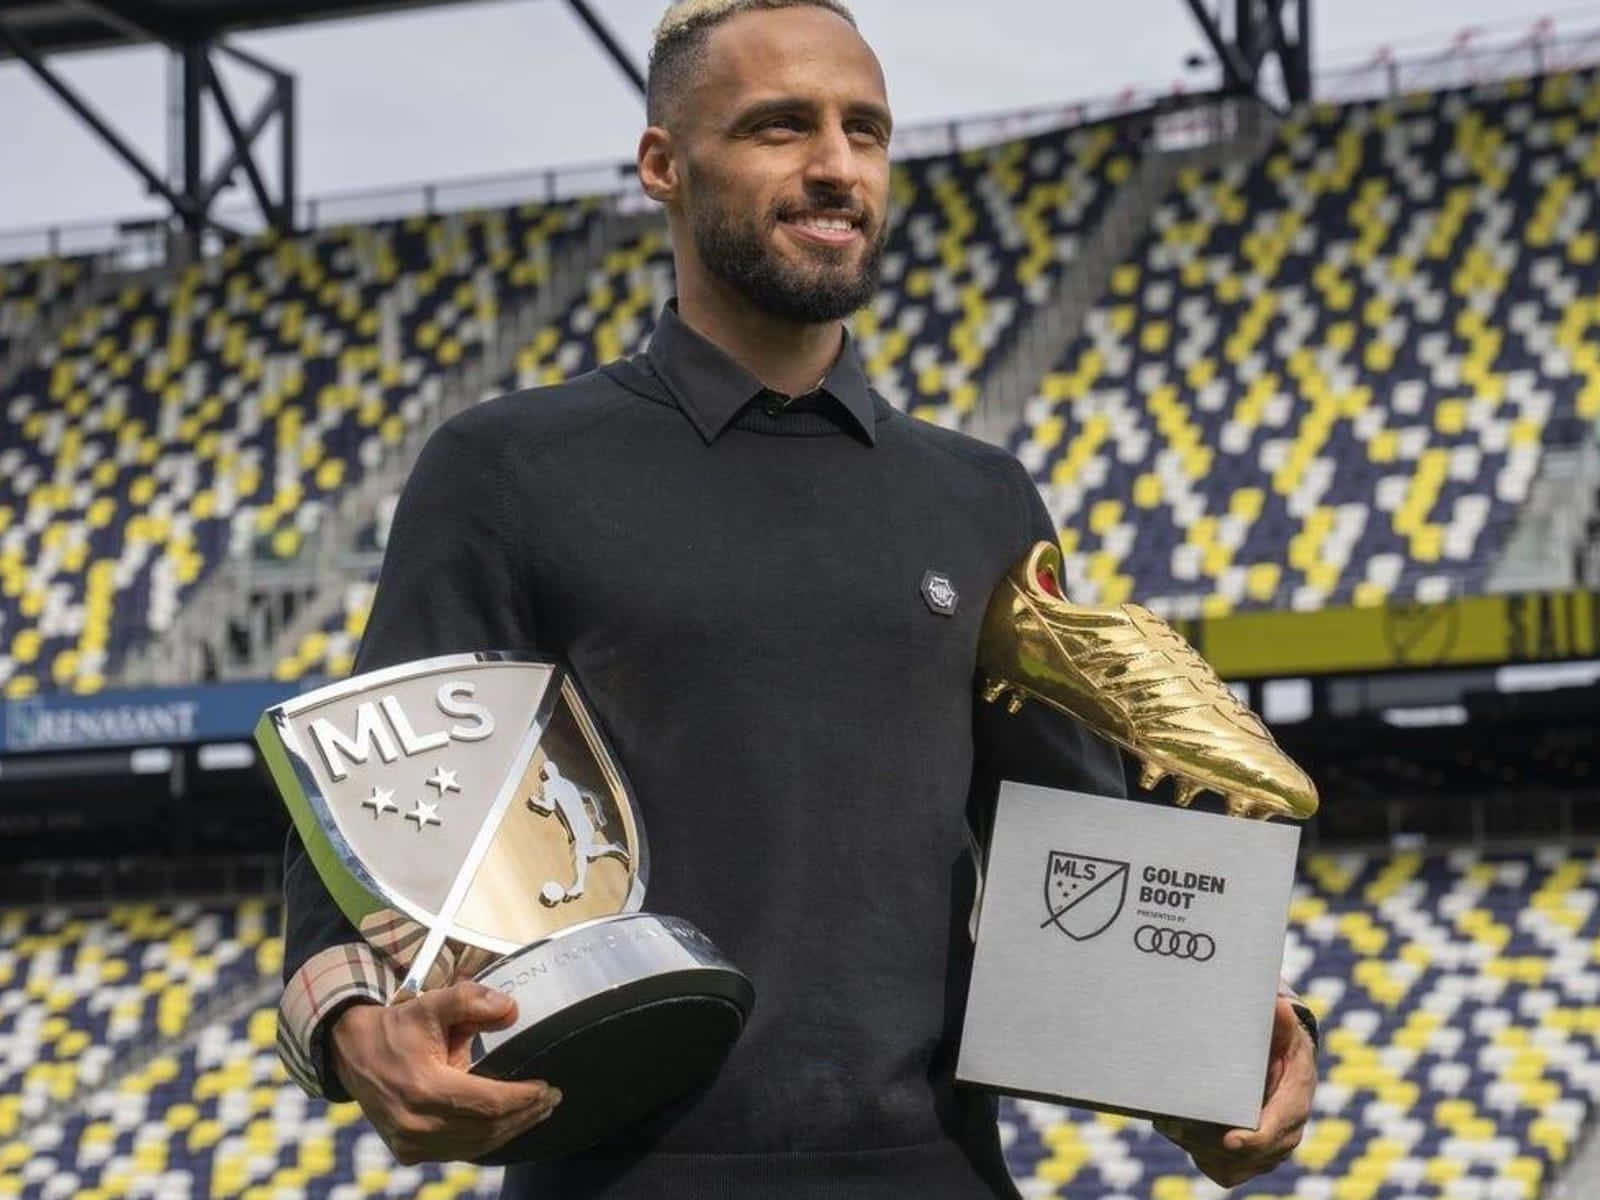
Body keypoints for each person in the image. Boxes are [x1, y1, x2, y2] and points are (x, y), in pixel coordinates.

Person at [277, 1, 1319, 1195]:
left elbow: (1071, 847)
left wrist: (1223, 1051)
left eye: (864, 131)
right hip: (617, 1173)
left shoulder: (982, 498)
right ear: (664, 165)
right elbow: (376, 797)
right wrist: (352, 1024)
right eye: (781, 127)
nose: (836, 166)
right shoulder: (507, 467)